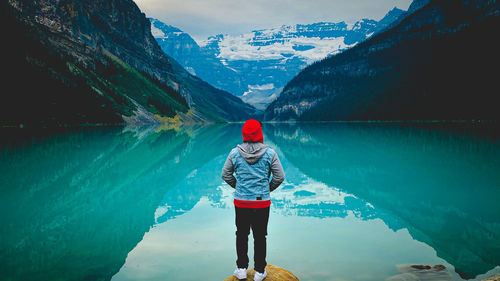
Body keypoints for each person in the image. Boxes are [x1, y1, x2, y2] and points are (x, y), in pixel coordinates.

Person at [221, 119, 285, 281]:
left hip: (241, 203)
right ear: (259, 134)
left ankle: (241, 269)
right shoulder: (270, 153)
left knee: (241, 235)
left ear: (244, 133)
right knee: (260, 236)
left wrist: (239, 188)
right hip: (262, 203)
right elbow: (279, 177)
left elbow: (225, 175)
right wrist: (266, 189)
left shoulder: (234, 153)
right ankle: (259, 272)